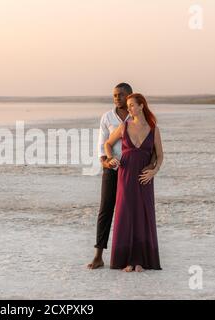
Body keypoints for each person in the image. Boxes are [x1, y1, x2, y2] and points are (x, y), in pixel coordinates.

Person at [87, 84, 156, 269]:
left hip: (134, 170)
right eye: (114, 95)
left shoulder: (138, 116)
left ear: (129, 97)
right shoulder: (107, 117)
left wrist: (151, 166)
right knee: (106, 209)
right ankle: (98, 254)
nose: (116, 98)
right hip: (112, 169)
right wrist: (108, 161)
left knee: (133, 212)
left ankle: (135, 254)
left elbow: (151, 146)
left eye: (120, 95)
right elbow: (103, 146)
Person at [104, 93, 163, 272]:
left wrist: (154, 171)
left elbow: (160, 155)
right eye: (128, 105)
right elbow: (108, 143)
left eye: (131, 105)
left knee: (143, 215)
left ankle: (141, 260)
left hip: (145, 177)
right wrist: (111, 158)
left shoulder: (153, 129)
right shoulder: (124, 126)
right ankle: (127, 260)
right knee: (126, 213)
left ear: (141, 106)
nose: (128, 108)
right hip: (126, 174)